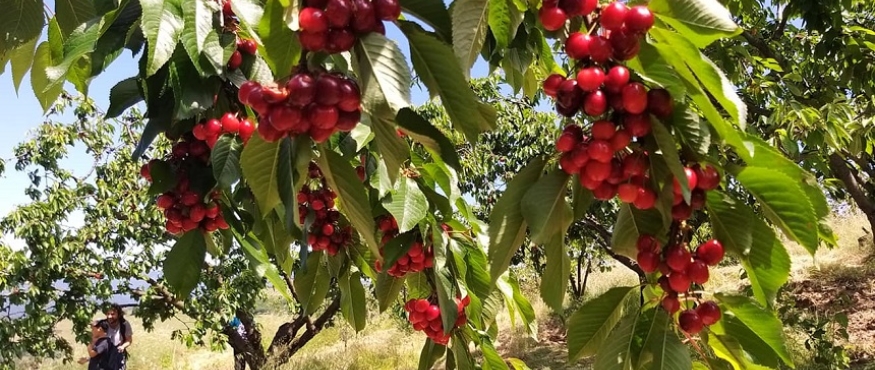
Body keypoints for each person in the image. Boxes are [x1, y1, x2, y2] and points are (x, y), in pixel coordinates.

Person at [104, 304, 133, 369]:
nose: (109, 316)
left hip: (118, 354)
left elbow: (129, 340)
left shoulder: (124, 324)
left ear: (119, 314)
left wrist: (123, 346)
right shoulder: (104, 324)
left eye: (112, 314)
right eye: (108, 314)